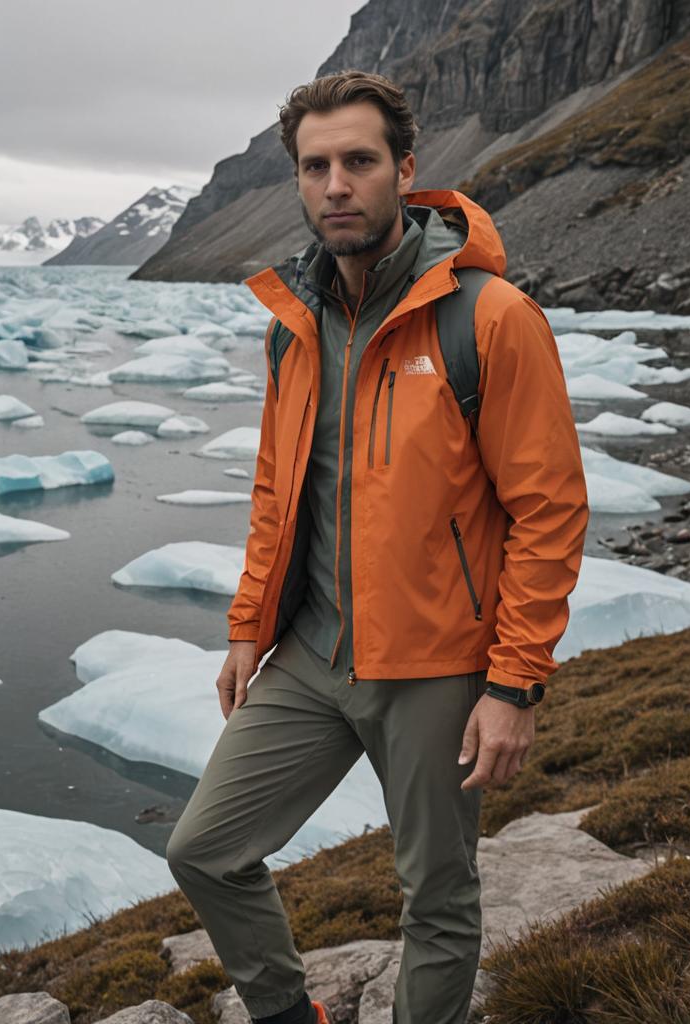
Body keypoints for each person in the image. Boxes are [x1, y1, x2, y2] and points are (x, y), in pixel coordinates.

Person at [164, 70, 589, 1024]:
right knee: (204, 849)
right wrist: (247, 629)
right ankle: (287, 1014)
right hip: (313, 655)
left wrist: (514, 684)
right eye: (316, 167)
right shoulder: (297, 326)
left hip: (438, 666)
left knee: (435, 901)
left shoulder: (489, 319)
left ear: (405, 171)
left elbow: (550, 511)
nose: (336, 185)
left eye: (358, 162)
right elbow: (279, 489)